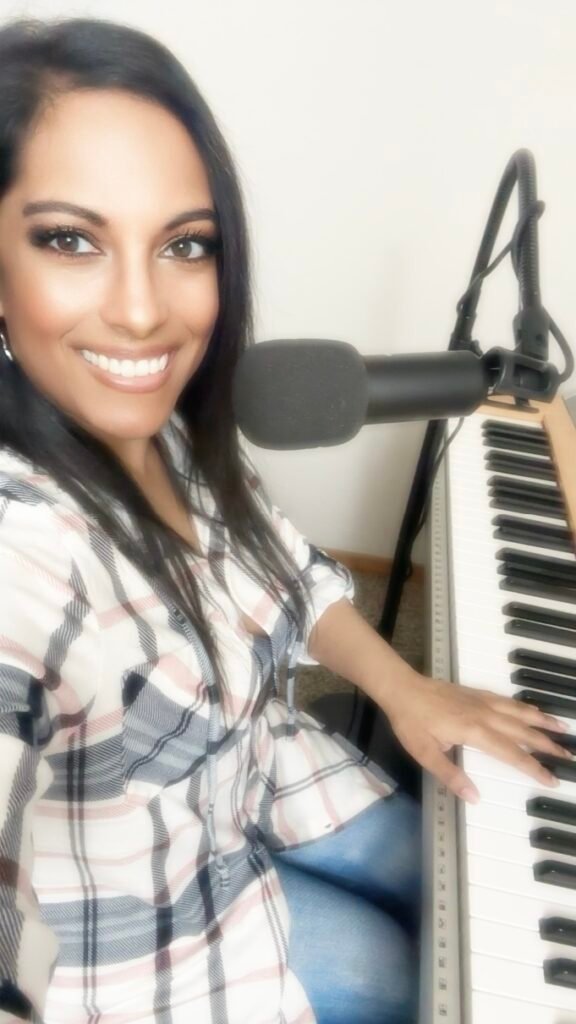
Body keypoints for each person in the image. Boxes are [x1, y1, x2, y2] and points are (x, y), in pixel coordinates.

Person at [0, 16, 569, 1024]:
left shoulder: (168, 426)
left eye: (185, 245)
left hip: (259, 780)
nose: (142, 312)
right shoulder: (24, 556)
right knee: (408, 977)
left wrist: (404, 686)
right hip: (141, 931)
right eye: (70, 239)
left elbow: (290, 572)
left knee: (468, 850)